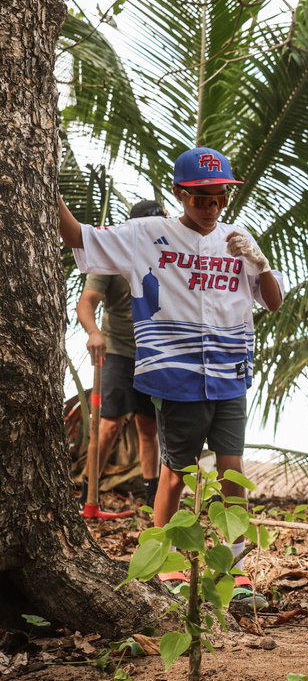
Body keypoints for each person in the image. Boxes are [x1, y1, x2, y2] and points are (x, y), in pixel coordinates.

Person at [58, 147, 285, 606]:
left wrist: (260, 265)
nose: (211, 208)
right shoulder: (147, 235)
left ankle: (237, 573)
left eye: (219, 198)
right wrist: (47, 183)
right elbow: (77, 236)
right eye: (201, 199)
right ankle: (167, 566)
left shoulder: (237, 240)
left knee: (231, 473)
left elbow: (273, 303)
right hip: (176, 375)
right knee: (176, 473)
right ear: (180, 194)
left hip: (229, 374)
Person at [76, 199, 167, 506]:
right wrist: (94, 332)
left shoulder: (170, 257)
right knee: (110, 424)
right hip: (117, 350)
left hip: (153, 353)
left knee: (148, 426)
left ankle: (152, 495)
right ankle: (89, 490)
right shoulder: (112, 256)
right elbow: (87, 302)